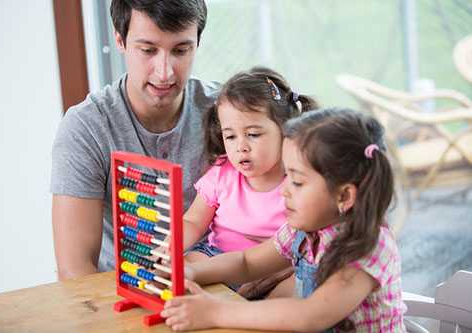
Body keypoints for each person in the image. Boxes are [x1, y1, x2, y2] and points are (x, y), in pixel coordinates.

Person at [161, 108, 407, 332]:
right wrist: (190, 271)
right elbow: (247, 262)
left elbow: (310, 316)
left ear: (344, 195)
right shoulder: (303, 230)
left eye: (297, 181)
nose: (284, 190)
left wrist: (216, 312)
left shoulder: (368, 248)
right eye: (286, 175)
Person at [50, 0, 219, 280]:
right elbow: (74, 271)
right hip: (126, 297)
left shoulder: (226, 112)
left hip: (218, 285)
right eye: (148, 50)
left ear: (197, 43)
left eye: (180, 50)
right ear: (120, 40)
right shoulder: (86, 127)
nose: (164, 72)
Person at [182, 67, 318, 265]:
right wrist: (169, 247)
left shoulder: (298, 182)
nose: (241, 147)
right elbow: (193, 221)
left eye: (253, 134)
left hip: (274, 268)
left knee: (298, 285)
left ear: (286, 130)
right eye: (230, 136)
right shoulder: (221, 173)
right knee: (187, 264)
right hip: (218, 257)